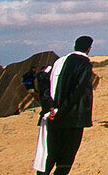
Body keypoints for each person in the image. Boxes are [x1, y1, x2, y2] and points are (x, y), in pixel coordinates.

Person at [35, 35, 95, 175]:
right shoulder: (84, 64)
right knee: (66, 159)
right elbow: (76, 92)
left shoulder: (59, 62)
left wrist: (50, 107)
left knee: (50, 155)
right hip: (73, 119)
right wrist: (61, 112)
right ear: (88, 49)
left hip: (53, 116)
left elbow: (42, 80)